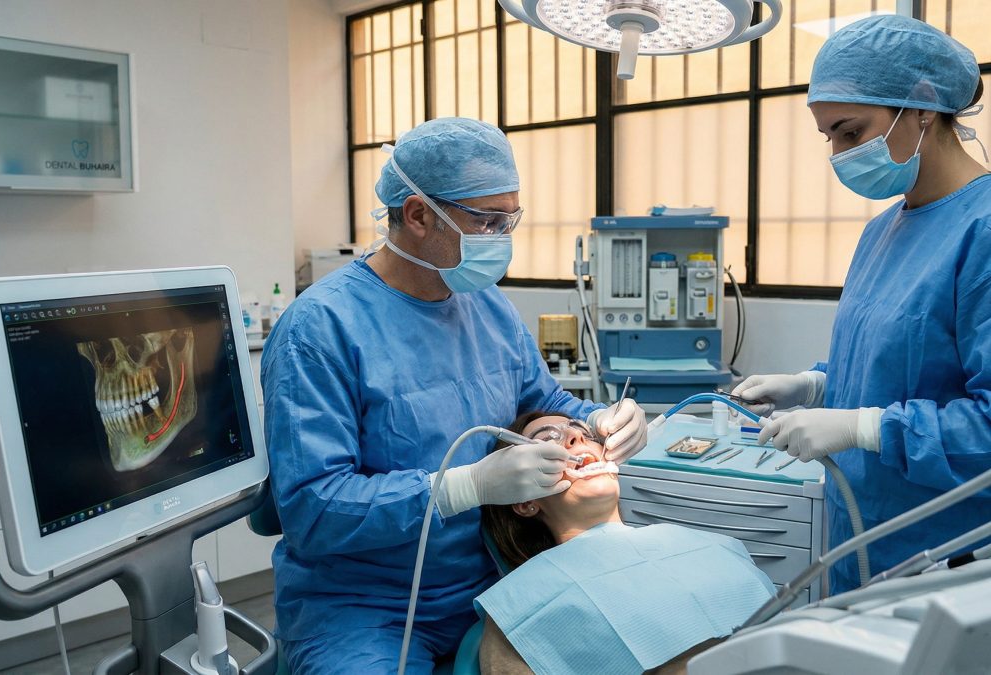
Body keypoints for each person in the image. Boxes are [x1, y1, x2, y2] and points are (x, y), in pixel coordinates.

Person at [260, 117, 648, 673]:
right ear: (418, 215)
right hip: (363, 609)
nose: (502, 239)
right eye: (487, 221)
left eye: (509, 219)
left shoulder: (488, 308)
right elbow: (312, 509)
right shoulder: (320, 330)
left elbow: (542, 402)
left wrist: (602, 418)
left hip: (492, 582)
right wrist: (463, 488)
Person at [733, 15, 991, 594]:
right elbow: (898, 363)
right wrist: (817, 386)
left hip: (947, 560)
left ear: (923, 106)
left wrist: (863, 426)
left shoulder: (985, 231)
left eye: (851, 132)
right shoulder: (882, 233)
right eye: (829, 137)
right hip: (859, 536)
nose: (839, 153)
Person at [476, 411, 775, 674]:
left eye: (586, 433)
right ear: (525, 500)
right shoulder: (519, 608)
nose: (575, 437)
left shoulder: (709, 545)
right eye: (548, 440)